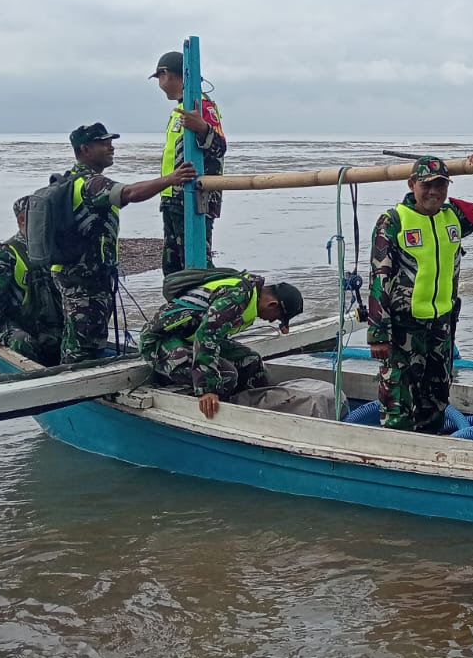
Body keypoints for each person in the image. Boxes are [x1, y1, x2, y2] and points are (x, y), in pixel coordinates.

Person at [367, 154, 473, 433]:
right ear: (412, 184)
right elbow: (379, 277)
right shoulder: (393, 221)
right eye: (427, 185)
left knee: (435, 399)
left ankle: (430, 448)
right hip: (402, 329)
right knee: (398, 400)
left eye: (441, 185)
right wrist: (378, 334)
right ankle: (395, 455)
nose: (434, 192)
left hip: (441, 327)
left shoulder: (454, 215)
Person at [52, 122, 196, 364]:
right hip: (85, 279)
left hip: (75, 274)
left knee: (77, 336)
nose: (111, 147)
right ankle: (77, 388)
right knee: (85, 344)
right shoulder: (90, 184)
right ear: (85, 149)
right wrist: (171, 179)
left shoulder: (71, 180)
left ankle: (74, 378)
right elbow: (129, 193)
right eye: (104, 143)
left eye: (111, 142)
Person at [137, 271, 304, 419]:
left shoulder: (250, 293)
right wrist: (207, 389)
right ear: (272, 304)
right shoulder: (236, 298)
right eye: (277, 318)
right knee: (225, 376)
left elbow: (210, 337)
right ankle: (216, 416)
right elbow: (206, 335)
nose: (273, 321)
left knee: (251, 360)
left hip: (188, 339)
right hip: (160, 342)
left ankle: (256, 410)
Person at [150, 50, 228, 274]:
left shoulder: (201, 106)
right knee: (174, 267)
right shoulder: (181, 108)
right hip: (173, 196)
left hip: (194, 198)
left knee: (195, 266)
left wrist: (203, 128)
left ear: (166, 75)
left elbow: (219, 148)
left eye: (159, 78)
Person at [0, 196, 63, 365]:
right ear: (22, 220)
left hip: (47, 323)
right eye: (41, 218)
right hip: (16, 322)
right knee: (23, 342)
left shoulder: (52, 249)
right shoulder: (7, 253)